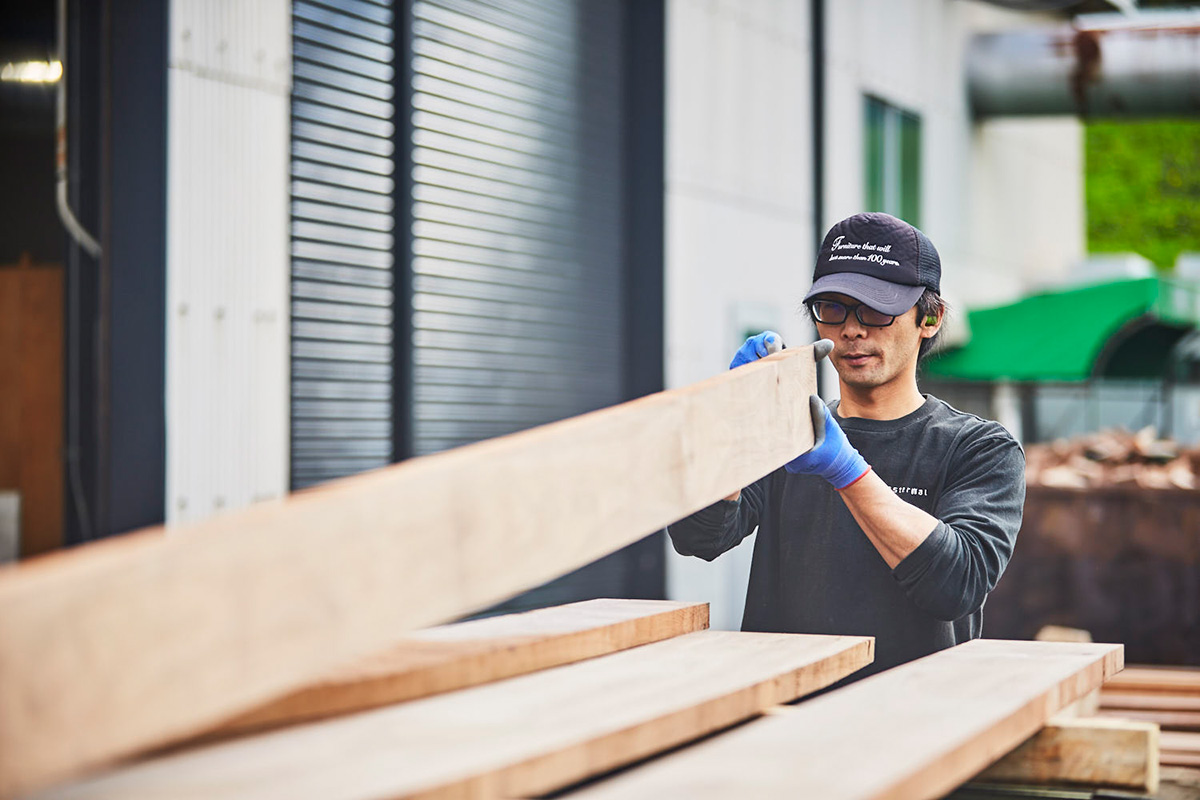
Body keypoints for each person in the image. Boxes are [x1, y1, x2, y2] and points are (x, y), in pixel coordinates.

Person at [667, 212, 1025, 679]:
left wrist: (848, 472)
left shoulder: (979, 449)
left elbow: (956, 585)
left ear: (930, 319)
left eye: (875, 310)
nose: (852, 330)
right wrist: (736, 426)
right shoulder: (790, 433)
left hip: (919, 726)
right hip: (784, 713)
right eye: (833, 308)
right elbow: (698, 537)